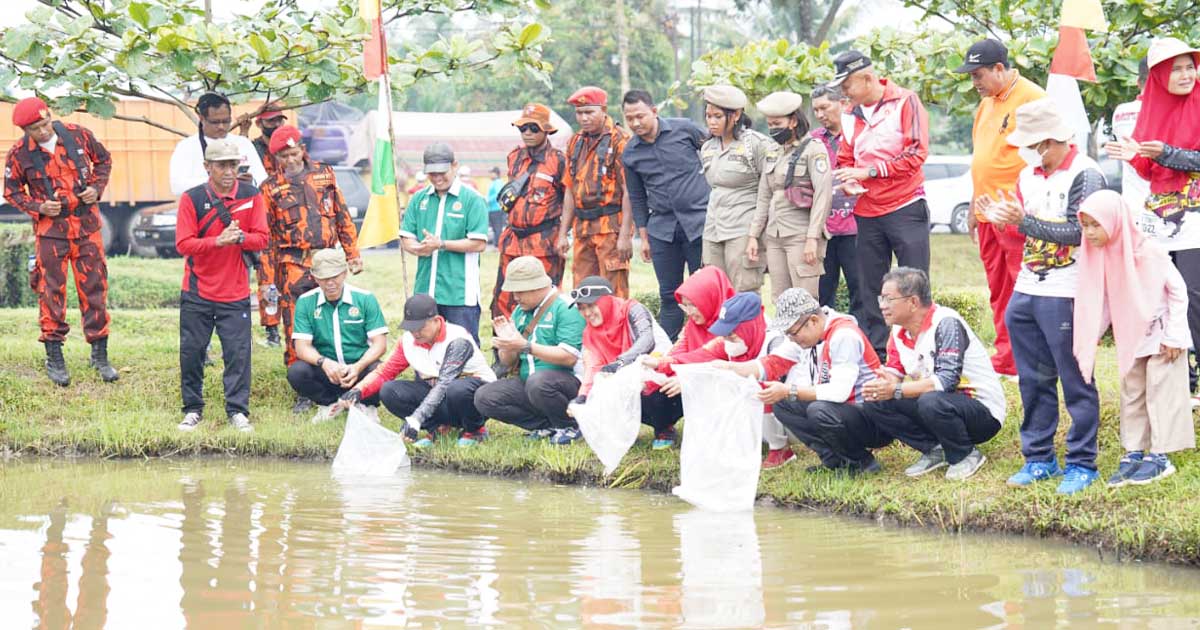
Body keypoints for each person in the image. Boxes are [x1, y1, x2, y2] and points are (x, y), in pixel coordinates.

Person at [980, 97, 1106, 495]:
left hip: (1067, 291)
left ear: (1052, 141)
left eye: (1034, 147)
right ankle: (1039, 459)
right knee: (1032, 380)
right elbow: (1024, 230)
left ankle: (1083, 463)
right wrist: (1005, 221)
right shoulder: (1029, 176)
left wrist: (1026, 222)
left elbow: (1080, 233)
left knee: (1076, 380)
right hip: (1028, 288)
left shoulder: (1087, 175)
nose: (1030, 155)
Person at [1073, 191, 1195, 486]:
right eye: (1085, 225)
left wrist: (1176, 334)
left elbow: (1178, 292)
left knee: (1160, 388)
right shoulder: (1101, 255)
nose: (1089, 233)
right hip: (1132, 334)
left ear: (1115, 221)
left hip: (1162, 333)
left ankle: (1160, 455)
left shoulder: (1148, 251)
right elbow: (1100, 300)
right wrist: (1089, 337)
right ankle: (1134, 450)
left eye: (1095, 225)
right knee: (1133, 390)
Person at [1105, 37, 1200, 406]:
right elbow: (1149, 169)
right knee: (1161, 297)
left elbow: (1184, 159)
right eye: (1174, 68)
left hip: (1196, 223)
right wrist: (1136, 156)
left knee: (1194, 297)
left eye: (1189, 65)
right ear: (1157, 76)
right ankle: (1180, 379)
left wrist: (1169, 153)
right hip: (1159, 222)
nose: (1185, 74)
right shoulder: (1149, 112)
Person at [4, 96, 118, 386]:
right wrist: (38, 207)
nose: (42, 132)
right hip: (50, 233)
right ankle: (54, 357)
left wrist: (96, 187)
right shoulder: (19, 154)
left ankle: (99, 355)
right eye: (34, 129)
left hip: (87, 228)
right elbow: (12, 192)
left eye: (44, 125)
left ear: (49, 117)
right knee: (50, 291)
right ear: (24, 130)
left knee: (95, 287)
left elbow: (103, 161)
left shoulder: (78, 134)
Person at [828, 51, 931, 355]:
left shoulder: (905, 101)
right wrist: (848, 180)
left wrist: (871, 172)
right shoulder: (849, 112)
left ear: (868, 78)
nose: (843, 93)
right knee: (870, 286)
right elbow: (846, 158)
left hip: (905, 206)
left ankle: (921, 349)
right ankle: (880, 356)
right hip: (866, 211)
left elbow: (916, 154)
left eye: (847, 85)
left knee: (914, 282)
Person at [859, 267, 1005, 481]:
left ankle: (965, 454)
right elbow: (894, 374)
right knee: (875, 401)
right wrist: (883, 384)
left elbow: (946, 381)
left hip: (981, 413)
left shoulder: (946, 323)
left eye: (889, 299)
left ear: (913, 302)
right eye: (881, 298)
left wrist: (895, 389)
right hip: (939, 405)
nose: (882, 306)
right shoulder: (898, 332)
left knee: (930, 400)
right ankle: (935, 449)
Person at [956, 39, 1046, 378]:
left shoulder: (1032, 98)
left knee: (1022, 288)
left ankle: (1031, 359)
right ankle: (1007, 357)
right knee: (999, 290)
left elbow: (1047, 156)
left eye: (978, 75)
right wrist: (972, 209)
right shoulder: (987, 104)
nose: (974, 82)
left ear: (999, 68)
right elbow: (982, 160)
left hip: (1015, 212)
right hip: (986, 213)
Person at [736, 288, 891, 474]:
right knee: (782, 404)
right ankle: (834, 460)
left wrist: (788, 390)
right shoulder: (808, 335)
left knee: (818, 410)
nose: (791, 340)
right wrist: (729, 369)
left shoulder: (843, 335)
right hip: (844, 413)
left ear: (813, 321)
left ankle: (861, 463)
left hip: (873, 419)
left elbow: (839, 392)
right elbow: (772, 363)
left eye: (793, 333)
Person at [260, 125, 364, 398]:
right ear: (275, 158)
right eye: (284, 157)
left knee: (331, 321)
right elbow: (267, 239)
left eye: (294, 153)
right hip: (293, 266)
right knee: (296, 325)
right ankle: (303, 391)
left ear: (302, 150)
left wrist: (352, 254)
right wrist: (268, 283)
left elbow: (342, 216)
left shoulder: (324, 175)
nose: (290, 160)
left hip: (327, 261)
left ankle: (340, 378)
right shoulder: (270, 189)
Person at [174, 138, 269, 433]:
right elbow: (183, 244)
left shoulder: (252, 195)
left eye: (233, 165)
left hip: (236, 292)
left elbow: (263, 239)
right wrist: (218, 241)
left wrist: (239, 238)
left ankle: (237, 411)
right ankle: (192, 409)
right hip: (197, 291)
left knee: (238, 354)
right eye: (221, 165)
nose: (228, 171)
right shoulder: (191, 198)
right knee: (192, 352)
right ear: (207, 167)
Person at [168, 92, 272, 349]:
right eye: (215, 122)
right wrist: (218, 183)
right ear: (201, 118)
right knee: (199, 297)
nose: (222, 127)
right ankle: (202, 349)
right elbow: (177, 185)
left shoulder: (242, 145)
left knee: (235, 293)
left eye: (226, 121)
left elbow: (262, 180)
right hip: (203, 224)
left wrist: (243, 183)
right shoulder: (187, 147)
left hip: (240, 225)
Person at [341, 293, 497, 448]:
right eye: (410, 328)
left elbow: (444, 384)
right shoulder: (408, 341)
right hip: (441, 396)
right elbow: (385, 373)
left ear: (436, 321)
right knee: (389, 391)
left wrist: (415, 420)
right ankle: (438, 428)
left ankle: (475, 430)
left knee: (456, 389)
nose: (415, 333)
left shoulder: (457, 340)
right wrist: (358, 390)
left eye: (420, 327)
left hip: (476, 398)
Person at [620, 89, 711, 340]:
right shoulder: (630, 153)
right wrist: (644, 238)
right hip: (662, 229)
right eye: (630, 118)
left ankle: (704, 345)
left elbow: (715, 153)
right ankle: (668, 351)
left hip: (699, 223)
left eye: (640, 116)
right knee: (669, 294)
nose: (636, 123)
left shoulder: (685, 130)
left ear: (654, 111)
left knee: (701, 291)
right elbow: (637, 197)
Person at [474, 256, 586, 445]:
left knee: (539, 382)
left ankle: (570, 425)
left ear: (537, 286)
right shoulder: (519, 311)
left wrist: (525, 346)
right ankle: (546, 426)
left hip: (567, 384)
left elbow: (569, 357)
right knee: (484, 397)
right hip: (532, 384)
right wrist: (506, 345)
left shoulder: (566, 307)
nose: (515, 296)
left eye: (520, 291)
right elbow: (508, 362)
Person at [634, 266, 734, 450]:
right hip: (696, 378)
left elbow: (708, 354)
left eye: (693, 305)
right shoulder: (693, 325)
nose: (689, 311)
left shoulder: (732, 325)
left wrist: (669, 368)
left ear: (710, 298)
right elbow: (678, 350)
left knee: (672, 386)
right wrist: (654, 368)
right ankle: (664, 427)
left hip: (724, 387)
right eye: (685, 305)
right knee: (646, 392)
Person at [400, 142, 489, 343]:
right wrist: (415, 248)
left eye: (443, 172)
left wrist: (441, 244)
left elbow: (478, 243)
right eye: (432, 174)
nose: (438, 178)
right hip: (425, 289)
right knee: (424, 344)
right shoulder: (418, 198)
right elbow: (406, 235)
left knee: (462, 348)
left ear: (454, 166)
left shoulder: (472, 199)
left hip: (459, 292)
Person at [286, 249, 387, 423]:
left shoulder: (365, 299)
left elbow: (380, 344)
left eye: (335, 276)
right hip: (327, 370)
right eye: (324, 278)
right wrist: (324, 363)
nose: (330, 283)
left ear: (344, 273)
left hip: (359, 368)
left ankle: (367, 405)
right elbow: (301, 347)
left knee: (381, 372)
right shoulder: (305, 302)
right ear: (314, 277)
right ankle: (329, 403)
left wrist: (358, 366)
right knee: (297, 372)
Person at [750, 91, 832, 300]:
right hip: (774, 235)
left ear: (793, 121)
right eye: (769, 124)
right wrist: (753, 235)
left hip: (801, 235)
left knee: (804, 300)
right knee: (781, 298)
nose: (773, 129)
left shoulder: (813, 148)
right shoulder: (772, 151)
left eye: (777, 123)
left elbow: (823, 196)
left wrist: (812, 238)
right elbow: (764, 197)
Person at [556, 86, 635, 297]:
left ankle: (616, 331)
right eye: (579, 113)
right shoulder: (575, 142)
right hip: (582, 230)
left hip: (611, 229)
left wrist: (626, 235)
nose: (584, 118)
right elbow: (570, 191)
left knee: (613, 294)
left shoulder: (620, 141)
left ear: (604, 109)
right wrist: (563, 234)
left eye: (589, 112)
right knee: (582, 293)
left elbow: (630, 191)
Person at [492, 103, 568, 318]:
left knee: (545, 299)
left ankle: (542, 347)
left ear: (546, 130)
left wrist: (563, 236)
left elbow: (568, 200)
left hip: (544, 241)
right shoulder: (514, 157)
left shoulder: (558, 160)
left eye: (533, 128)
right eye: (522, 128)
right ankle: (505, 348)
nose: (527, 133)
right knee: (504, 298)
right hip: (513, 240)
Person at [695, 85, 772, 292]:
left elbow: (768, 190)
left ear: (736, 115)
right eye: (708, 116)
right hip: (713, 228)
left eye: (718, 116)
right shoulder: (707, 147)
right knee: (714, 290)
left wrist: (757, 234)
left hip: (744, 227)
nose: (711, 122)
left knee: (744, 291)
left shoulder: (756, 144)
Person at [570, 275, 670, 407]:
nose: (587, 313)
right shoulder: (590, 333)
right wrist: (583, 396)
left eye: (591, 305)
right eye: (582, 308)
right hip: (628, 386)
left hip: (665, 378)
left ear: (605, 302)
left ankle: (664, 425)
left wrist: (621, 362)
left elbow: (647, 339)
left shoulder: (633, 309)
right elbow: (593, 367)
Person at [810, 85, 863, 319]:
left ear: (843, 103)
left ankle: (868, 346)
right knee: (821, 293)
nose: (820, 114)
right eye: (816, 110)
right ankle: (822, 345)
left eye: (824, 107)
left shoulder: (862, 134)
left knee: (861, 290)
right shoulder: (813, 141)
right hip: (824, 230)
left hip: (856, 226)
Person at [1109, 57, 1152, 227]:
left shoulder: (1120, 112)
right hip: (1166, 207)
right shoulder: (1170, 112)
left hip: (1131, 206)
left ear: (1137, 82)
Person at [245, 103, 288, 175]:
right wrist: (244, 131)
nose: (277, 124)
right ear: (258, 124)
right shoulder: (253, 148)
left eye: (279, 120)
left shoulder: (291, 145)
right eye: (271, 120)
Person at [486, 166, 507, 247]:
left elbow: (497, 194)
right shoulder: (494, 182)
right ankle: (496, 244)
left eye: (491, 173)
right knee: (495, 228)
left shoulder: (498, 182)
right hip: (492, 209)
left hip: (496, 209)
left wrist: (488, 200)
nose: (490, 175)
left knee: (497, 228)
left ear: (496, 174)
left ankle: (498, 245)